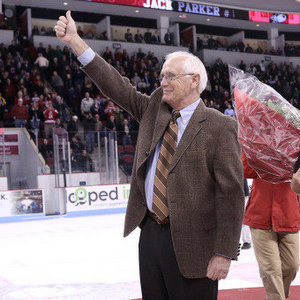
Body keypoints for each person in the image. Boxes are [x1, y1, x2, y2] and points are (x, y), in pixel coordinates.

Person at [55, 11, 244, 299]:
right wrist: (76, 43)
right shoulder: (153, 109)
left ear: (195, 80)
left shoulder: (220, 126)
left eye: (171, 76)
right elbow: (115, 85)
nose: (163, 81)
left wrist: (224, 253)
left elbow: (230, 194)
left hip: (197, 243)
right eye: (162, 76)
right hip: (152, 234)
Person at [242, 152, 300, 300]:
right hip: (260, 214)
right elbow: (244, 170)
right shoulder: (257, 141)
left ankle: (276, 296)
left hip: (289, 214)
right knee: (270, 269)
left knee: (292, 265)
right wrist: (255, 152)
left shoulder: (294, 141)